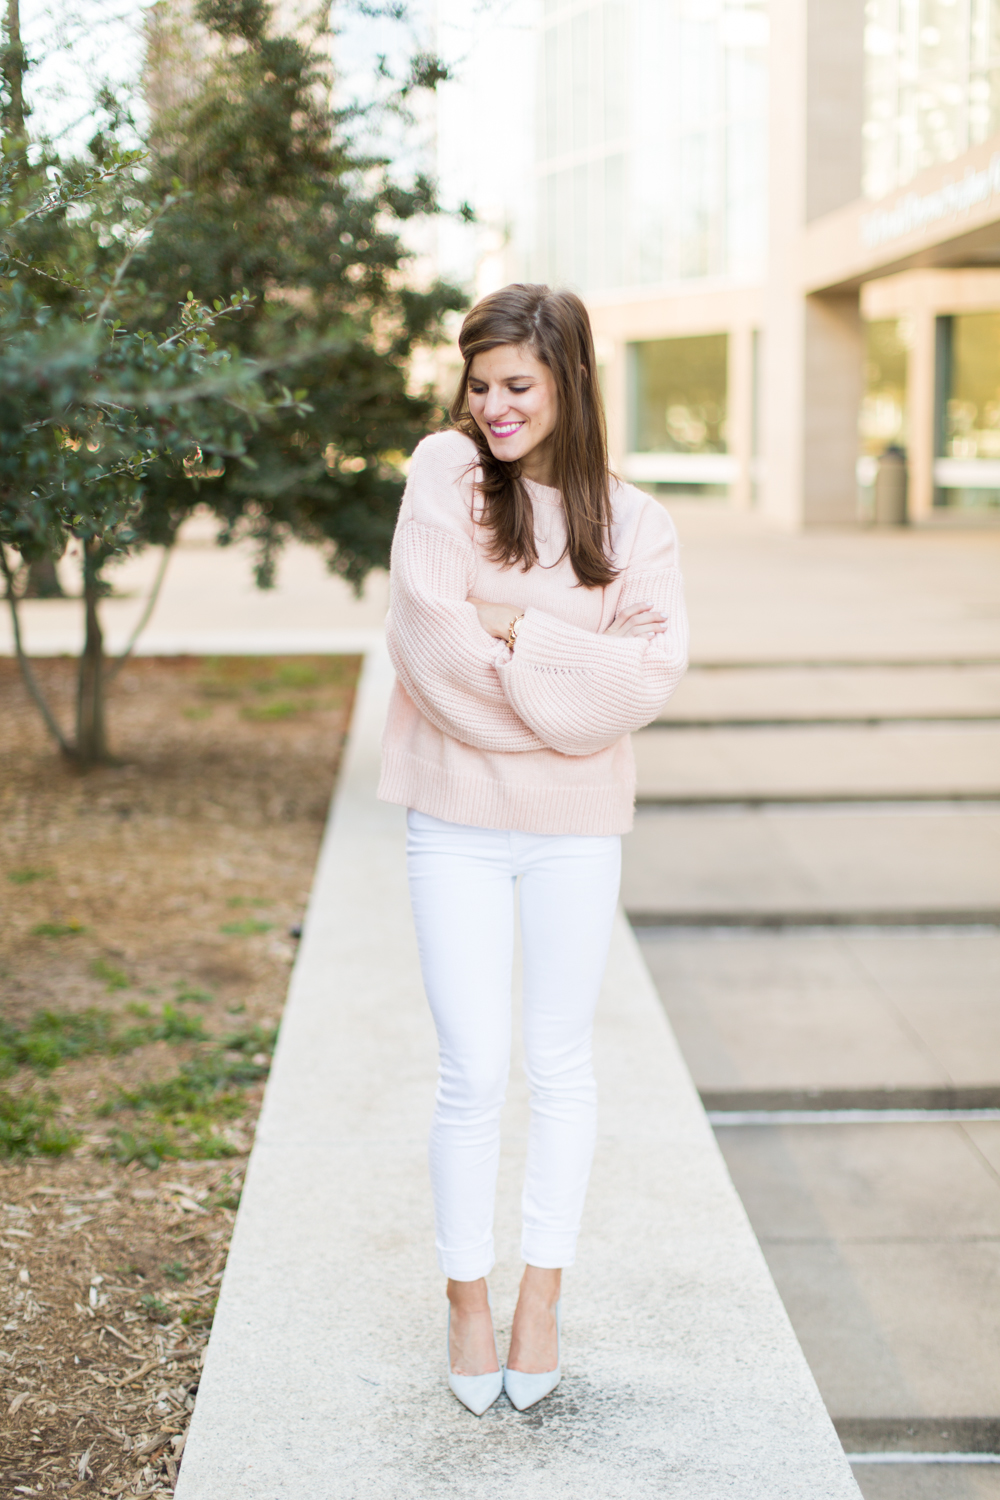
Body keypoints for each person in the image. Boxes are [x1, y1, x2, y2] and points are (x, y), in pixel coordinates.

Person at [378, 283, 688, 1415]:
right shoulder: (442, 476)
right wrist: (565, 686)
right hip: (453, 823)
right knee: (472, 1069)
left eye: (517, 385)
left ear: (568, 381)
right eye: (479, 384)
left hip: (572, 836)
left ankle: (539, 1297)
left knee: (559, 1068)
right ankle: (467, 1301)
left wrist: (516, 629)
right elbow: (427, 643)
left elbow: (648, 677)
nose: (493, 407)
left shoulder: (636, 521)